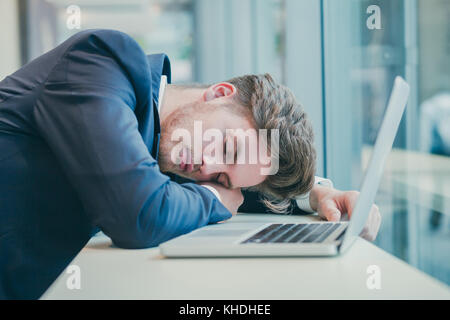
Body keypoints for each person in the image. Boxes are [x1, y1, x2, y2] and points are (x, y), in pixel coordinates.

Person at [0, 29, 380, 299]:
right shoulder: (104, 62)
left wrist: (317, 194)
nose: (205, 167)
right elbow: (139, 215)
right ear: (219, 94)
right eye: (228, 149)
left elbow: (233, 192)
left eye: (221, 177)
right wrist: (213, 198)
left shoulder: (175, 144)